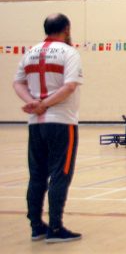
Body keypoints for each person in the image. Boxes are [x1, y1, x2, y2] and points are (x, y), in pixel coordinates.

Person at [13, 13, 83, 243]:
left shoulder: (30, 52)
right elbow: (70, 86)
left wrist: (32, 104)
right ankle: (55, 227)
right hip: (61, 121)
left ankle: (36, 226)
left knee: (37, 176)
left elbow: (18, 82)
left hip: (36, 123)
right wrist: (45, 104)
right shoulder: (69, 52)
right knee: (60, 174)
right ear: (67, 28)